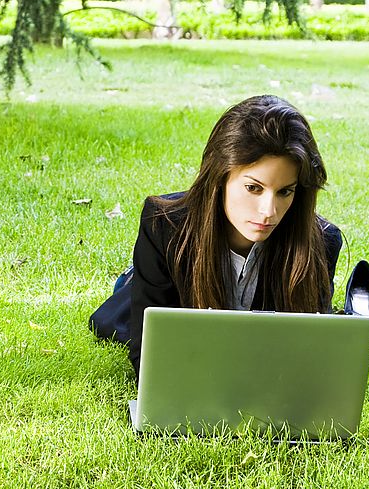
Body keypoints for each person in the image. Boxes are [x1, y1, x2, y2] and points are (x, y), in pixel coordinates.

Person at [88, 94, 343, 376]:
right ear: (220, 176)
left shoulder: (322, 241)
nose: (268, 211)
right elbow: (148, 356)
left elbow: (308, 353)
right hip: (163, 281)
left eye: (285, 191)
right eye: (253, 188)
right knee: (119, 315)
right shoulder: (164, 226)